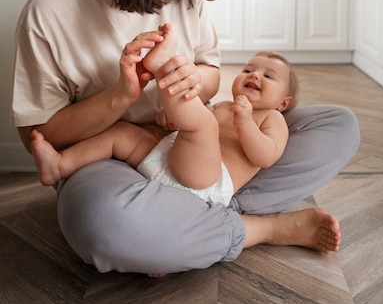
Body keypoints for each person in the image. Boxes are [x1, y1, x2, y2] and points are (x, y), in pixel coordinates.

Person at [11, 0, 360, 275]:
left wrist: (196, 78)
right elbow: (40, 134)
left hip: (200, 154)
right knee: (100, 222)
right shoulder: (49, 11)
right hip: (113, 162)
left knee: (339, 125)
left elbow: (211, 72)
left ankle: (176, 228)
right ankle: (257, 227)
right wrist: (119, 97)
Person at [30, 23, 298, 208]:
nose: (253, 75)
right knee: (123, 134)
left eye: (268, 76)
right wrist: (172, 122)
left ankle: (163, 68)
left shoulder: (272, 119)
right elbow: (190, 134)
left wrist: (247, 125)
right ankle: (60, 165)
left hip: (208, 181)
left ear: (283, 103)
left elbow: (266, 156)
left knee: (203, 125)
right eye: (249, 69)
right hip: (171, 163)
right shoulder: (223, 106)